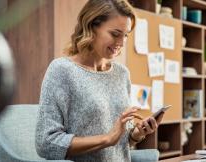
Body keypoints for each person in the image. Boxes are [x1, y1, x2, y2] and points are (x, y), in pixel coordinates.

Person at [35, 0, 163, 162]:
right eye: (115, 34)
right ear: (91, 27)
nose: (122, 43)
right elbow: (46, 143)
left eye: (125, 35)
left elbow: (119, 142)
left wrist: (136, 134)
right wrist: (107, 139)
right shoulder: (61, 70)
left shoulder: (122, 74)